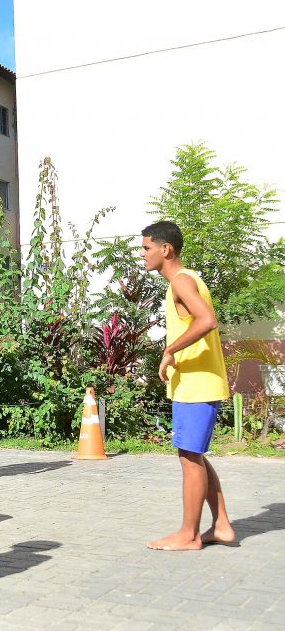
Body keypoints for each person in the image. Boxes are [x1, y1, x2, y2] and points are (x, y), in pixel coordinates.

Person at [141, 221, 234, 551]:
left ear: (165, 250)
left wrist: (170, 350)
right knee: (193, 455)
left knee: (190, 457)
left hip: (197, 386)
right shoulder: (186, 279)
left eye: (147, 247)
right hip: (195, 385)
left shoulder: (181, 281)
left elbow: (207, 320)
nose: (143, 254)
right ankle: (221, 525)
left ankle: (189, 534)